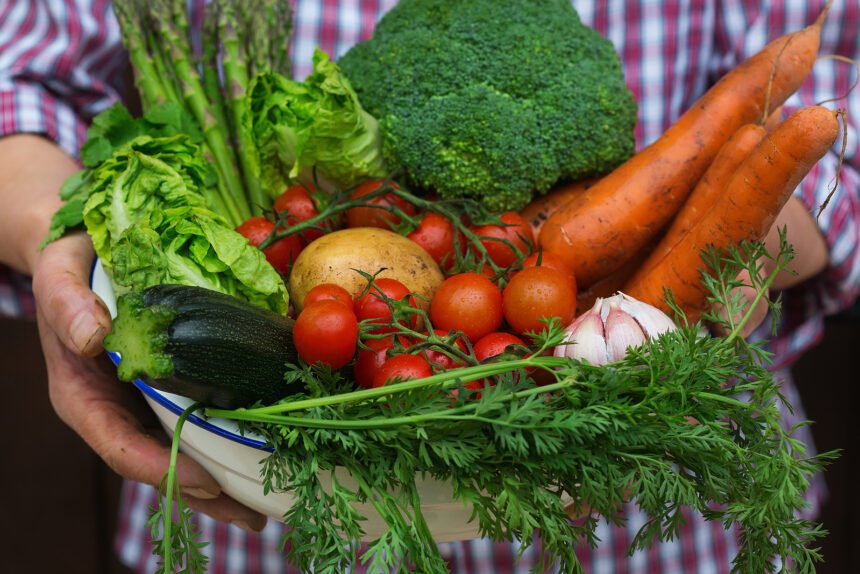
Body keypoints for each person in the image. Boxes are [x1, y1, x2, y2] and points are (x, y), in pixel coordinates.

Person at [1, 0, 858, 572]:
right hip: (266, 509)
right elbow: (25, 80)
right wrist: (56, 240)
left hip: (657, 495)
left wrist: (736, 234)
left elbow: (845, 76)